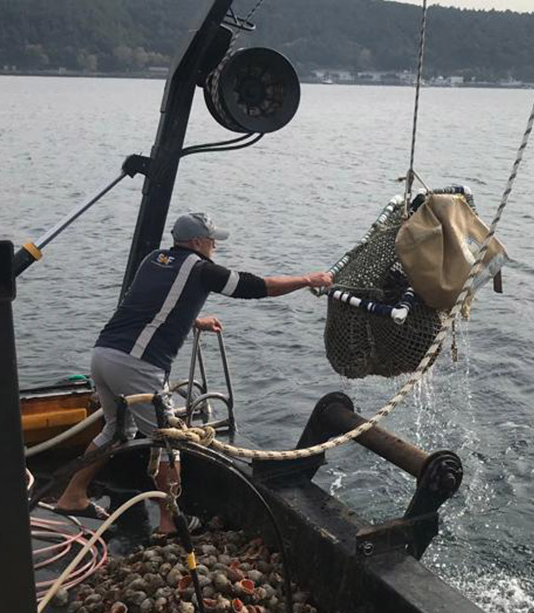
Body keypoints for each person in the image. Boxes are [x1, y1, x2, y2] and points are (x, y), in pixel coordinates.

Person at [52, 212, 332, 535]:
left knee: (116, 431)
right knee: (168, 441)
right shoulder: (201, 269)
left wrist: (193, 321)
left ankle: (73, 494)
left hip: (104, 354)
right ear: (198, 242)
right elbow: (257, 287)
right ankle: (170, 523)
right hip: (139, 365)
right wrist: (308, 280)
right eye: (213, 241)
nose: (215, 246)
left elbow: (148, 304)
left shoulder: (153, 259)